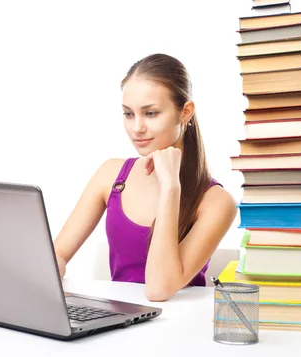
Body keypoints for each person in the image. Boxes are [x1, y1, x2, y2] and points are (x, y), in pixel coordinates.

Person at [53, 53, 237, 301]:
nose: (136, 128)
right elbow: (59, 253)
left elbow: (159, 289)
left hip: (177, 328)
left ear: (186, 113)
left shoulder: (217, 202)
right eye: (128, 114)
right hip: (116, 323)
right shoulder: (111, 174)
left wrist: (171, 187)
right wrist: (48, 270)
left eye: (150, 114)